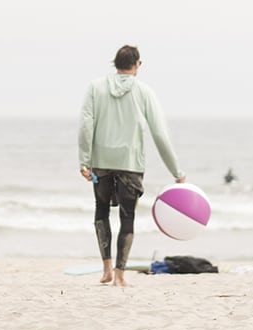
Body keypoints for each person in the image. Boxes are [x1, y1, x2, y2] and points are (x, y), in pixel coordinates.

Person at [78, 45, 186, 287]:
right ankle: (119, 275)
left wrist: (84, 161)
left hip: (100, 163)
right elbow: (160, 134)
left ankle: (105, 269)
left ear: (114, 64)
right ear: (137, 64)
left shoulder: (95, 88)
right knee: (128, 217)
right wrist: (176, 172)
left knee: (101, 210)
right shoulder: (144, 91)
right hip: (130, 163)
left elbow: (85, 125)